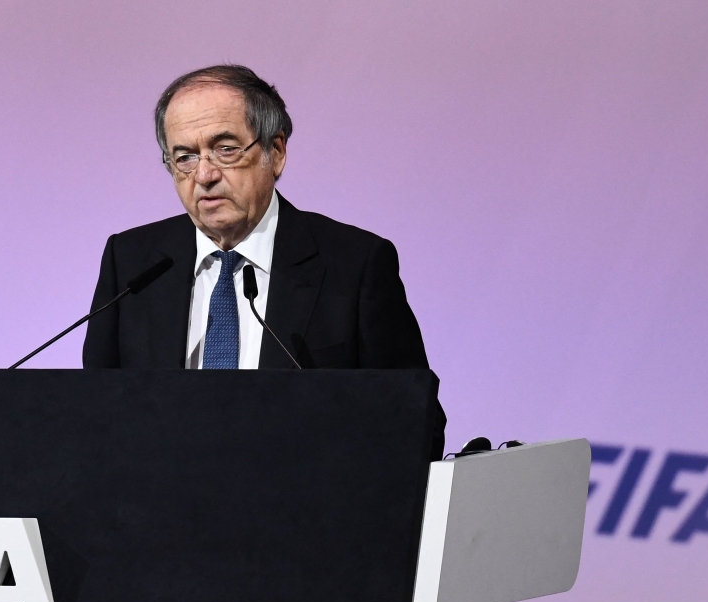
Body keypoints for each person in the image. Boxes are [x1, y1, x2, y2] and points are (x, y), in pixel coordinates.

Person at [82, 65, 445, 457]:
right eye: (184, 156)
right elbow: (92, 416)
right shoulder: (132, 261)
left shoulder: (355, 265)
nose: (204, 175)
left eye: (226, 149)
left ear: (276, 152)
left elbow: (414, 422)